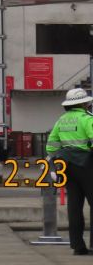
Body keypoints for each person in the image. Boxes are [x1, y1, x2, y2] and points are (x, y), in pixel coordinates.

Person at [46, 87, 93, 255]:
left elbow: (51, 145)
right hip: (87, 165)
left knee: (74, 206)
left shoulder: (62, 120)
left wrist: (56, 159)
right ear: (84, 103)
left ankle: (77, 246)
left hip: (67, 166)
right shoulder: (87, 119)